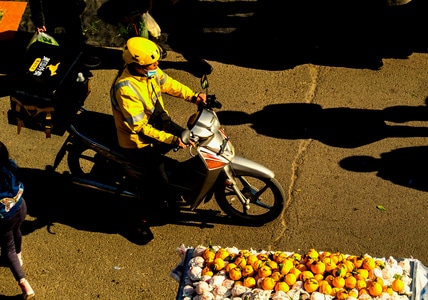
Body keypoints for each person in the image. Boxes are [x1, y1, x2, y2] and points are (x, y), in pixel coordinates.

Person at [110, 37, 206, 242]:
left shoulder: (149, 72)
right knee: (158, 184)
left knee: (195, 136)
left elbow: (168, 83)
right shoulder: (125, 89)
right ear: (137, 66)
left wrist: (193, 96)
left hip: (158, 123)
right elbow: (140, 129)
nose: (156, 66)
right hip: (139, 142)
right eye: (151, 64)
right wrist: (171, 140)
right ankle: (138, 222)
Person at [0, 141, 35, 299]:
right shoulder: (10, 165)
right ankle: (19, 256)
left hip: (5, 217)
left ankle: (24, 285)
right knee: (17, 230)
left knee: (8, 248)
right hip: (20, 207)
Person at [28, 0, 101, 68]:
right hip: (49, 11)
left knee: (75, 32)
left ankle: (79, 55)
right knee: (46, 40)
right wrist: (39, 21)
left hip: (67, 9)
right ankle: (44, 63)